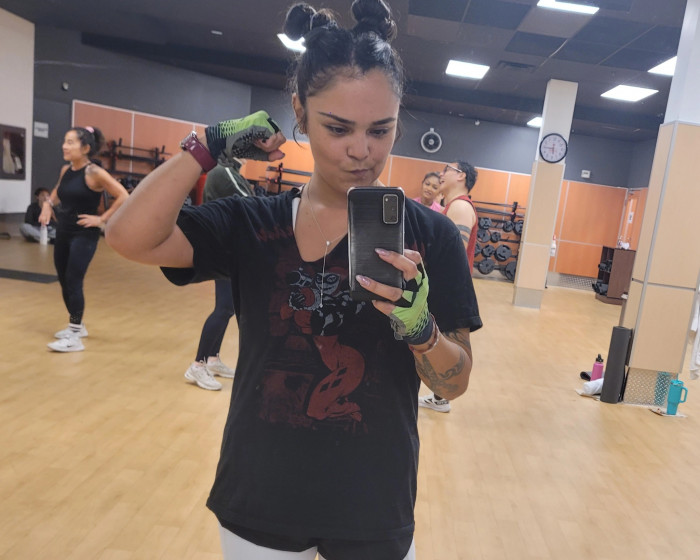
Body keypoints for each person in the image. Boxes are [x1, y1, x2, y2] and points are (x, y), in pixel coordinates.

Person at [106, 1, 481, 558]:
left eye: (381, 129)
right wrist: (206, 147)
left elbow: (454, 384)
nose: (362, 150)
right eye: (337, 128)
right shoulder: (252, 223)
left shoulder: (432, 237)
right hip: (260, 498)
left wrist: (420, 328)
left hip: (372, 506)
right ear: (300, 114)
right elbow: (127, 237)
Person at [39, 126, 129, 352]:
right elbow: (57, 191)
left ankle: (74, 335)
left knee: (73, 279)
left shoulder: (94, 172)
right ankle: (77, 326)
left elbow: (123, 195)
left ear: (86, 148)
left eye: (70, 142)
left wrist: (102, 219)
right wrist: (48, 205)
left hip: (84, 234)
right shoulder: (66, 170)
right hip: (64, 230)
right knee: (63, 279)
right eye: (65, 141)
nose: (64, 146)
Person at [184, 161, 253, 391]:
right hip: (225, 250)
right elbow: (251, 203)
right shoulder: (223, 171)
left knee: (228, 308)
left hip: (232, 250)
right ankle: (197, 365)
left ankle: (212, 359)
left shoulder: (231, 172)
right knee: (223, 308)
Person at [418, 160, 479, 413]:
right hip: (443, 287)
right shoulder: (451, 206)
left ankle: (441, 398)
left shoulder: (461, 206)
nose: (441, 174)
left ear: (461, 175)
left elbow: (453, 254)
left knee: (439, 341)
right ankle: (439, 398)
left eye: (447, 170)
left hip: (449, 290)